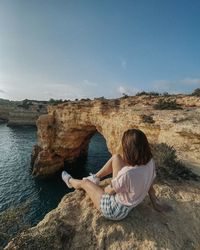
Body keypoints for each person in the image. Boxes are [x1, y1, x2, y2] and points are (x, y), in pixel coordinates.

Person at [62, 129, 172, 221]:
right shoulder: (150, 162)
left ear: (129, 150)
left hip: (115, 210)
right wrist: (156, 204)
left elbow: (108, 191)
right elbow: (150, 186)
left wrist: (103, 187)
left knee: (85, 182)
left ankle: (70, 181)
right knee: (116, 158)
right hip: (131, 200)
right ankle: (95, 178)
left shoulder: (127, 174)